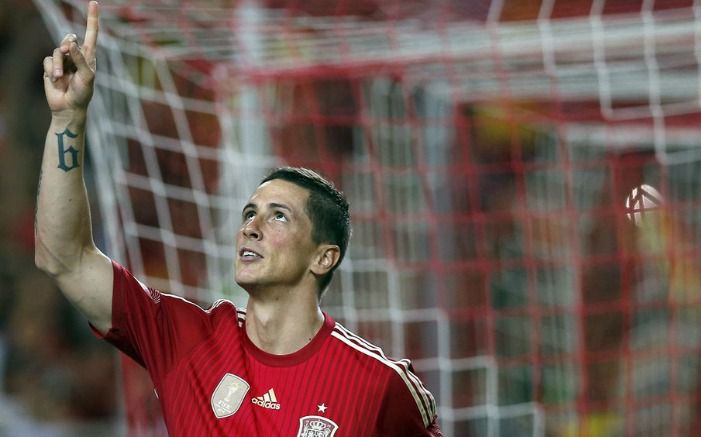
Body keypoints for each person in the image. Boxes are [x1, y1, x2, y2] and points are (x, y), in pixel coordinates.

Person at [34, 2, 442, 435]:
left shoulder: (378, 385)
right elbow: (65, 258)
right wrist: (67, 118)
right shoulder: (187, 341)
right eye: (250, 213)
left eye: (278, 216)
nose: (251, 226)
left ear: (323, 258)